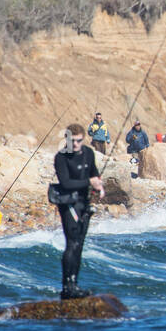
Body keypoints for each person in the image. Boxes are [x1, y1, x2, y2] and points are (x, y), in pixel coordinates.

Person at [54, 124, 104, 299]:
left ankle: (75, 284)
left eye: (79, 141)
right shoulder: (61, 157)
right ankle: (67, 286)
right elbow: (66, 183)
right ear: (66, 139)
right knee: (72, 243)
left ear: (83, 139)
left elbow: (94, 173)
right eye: (72, 141)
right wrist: (90, 183)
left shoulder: (89, 153)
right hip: (68, 203)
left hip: (84, 203)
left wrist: (99, 186)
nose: (75, 144)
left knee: (80, 245)